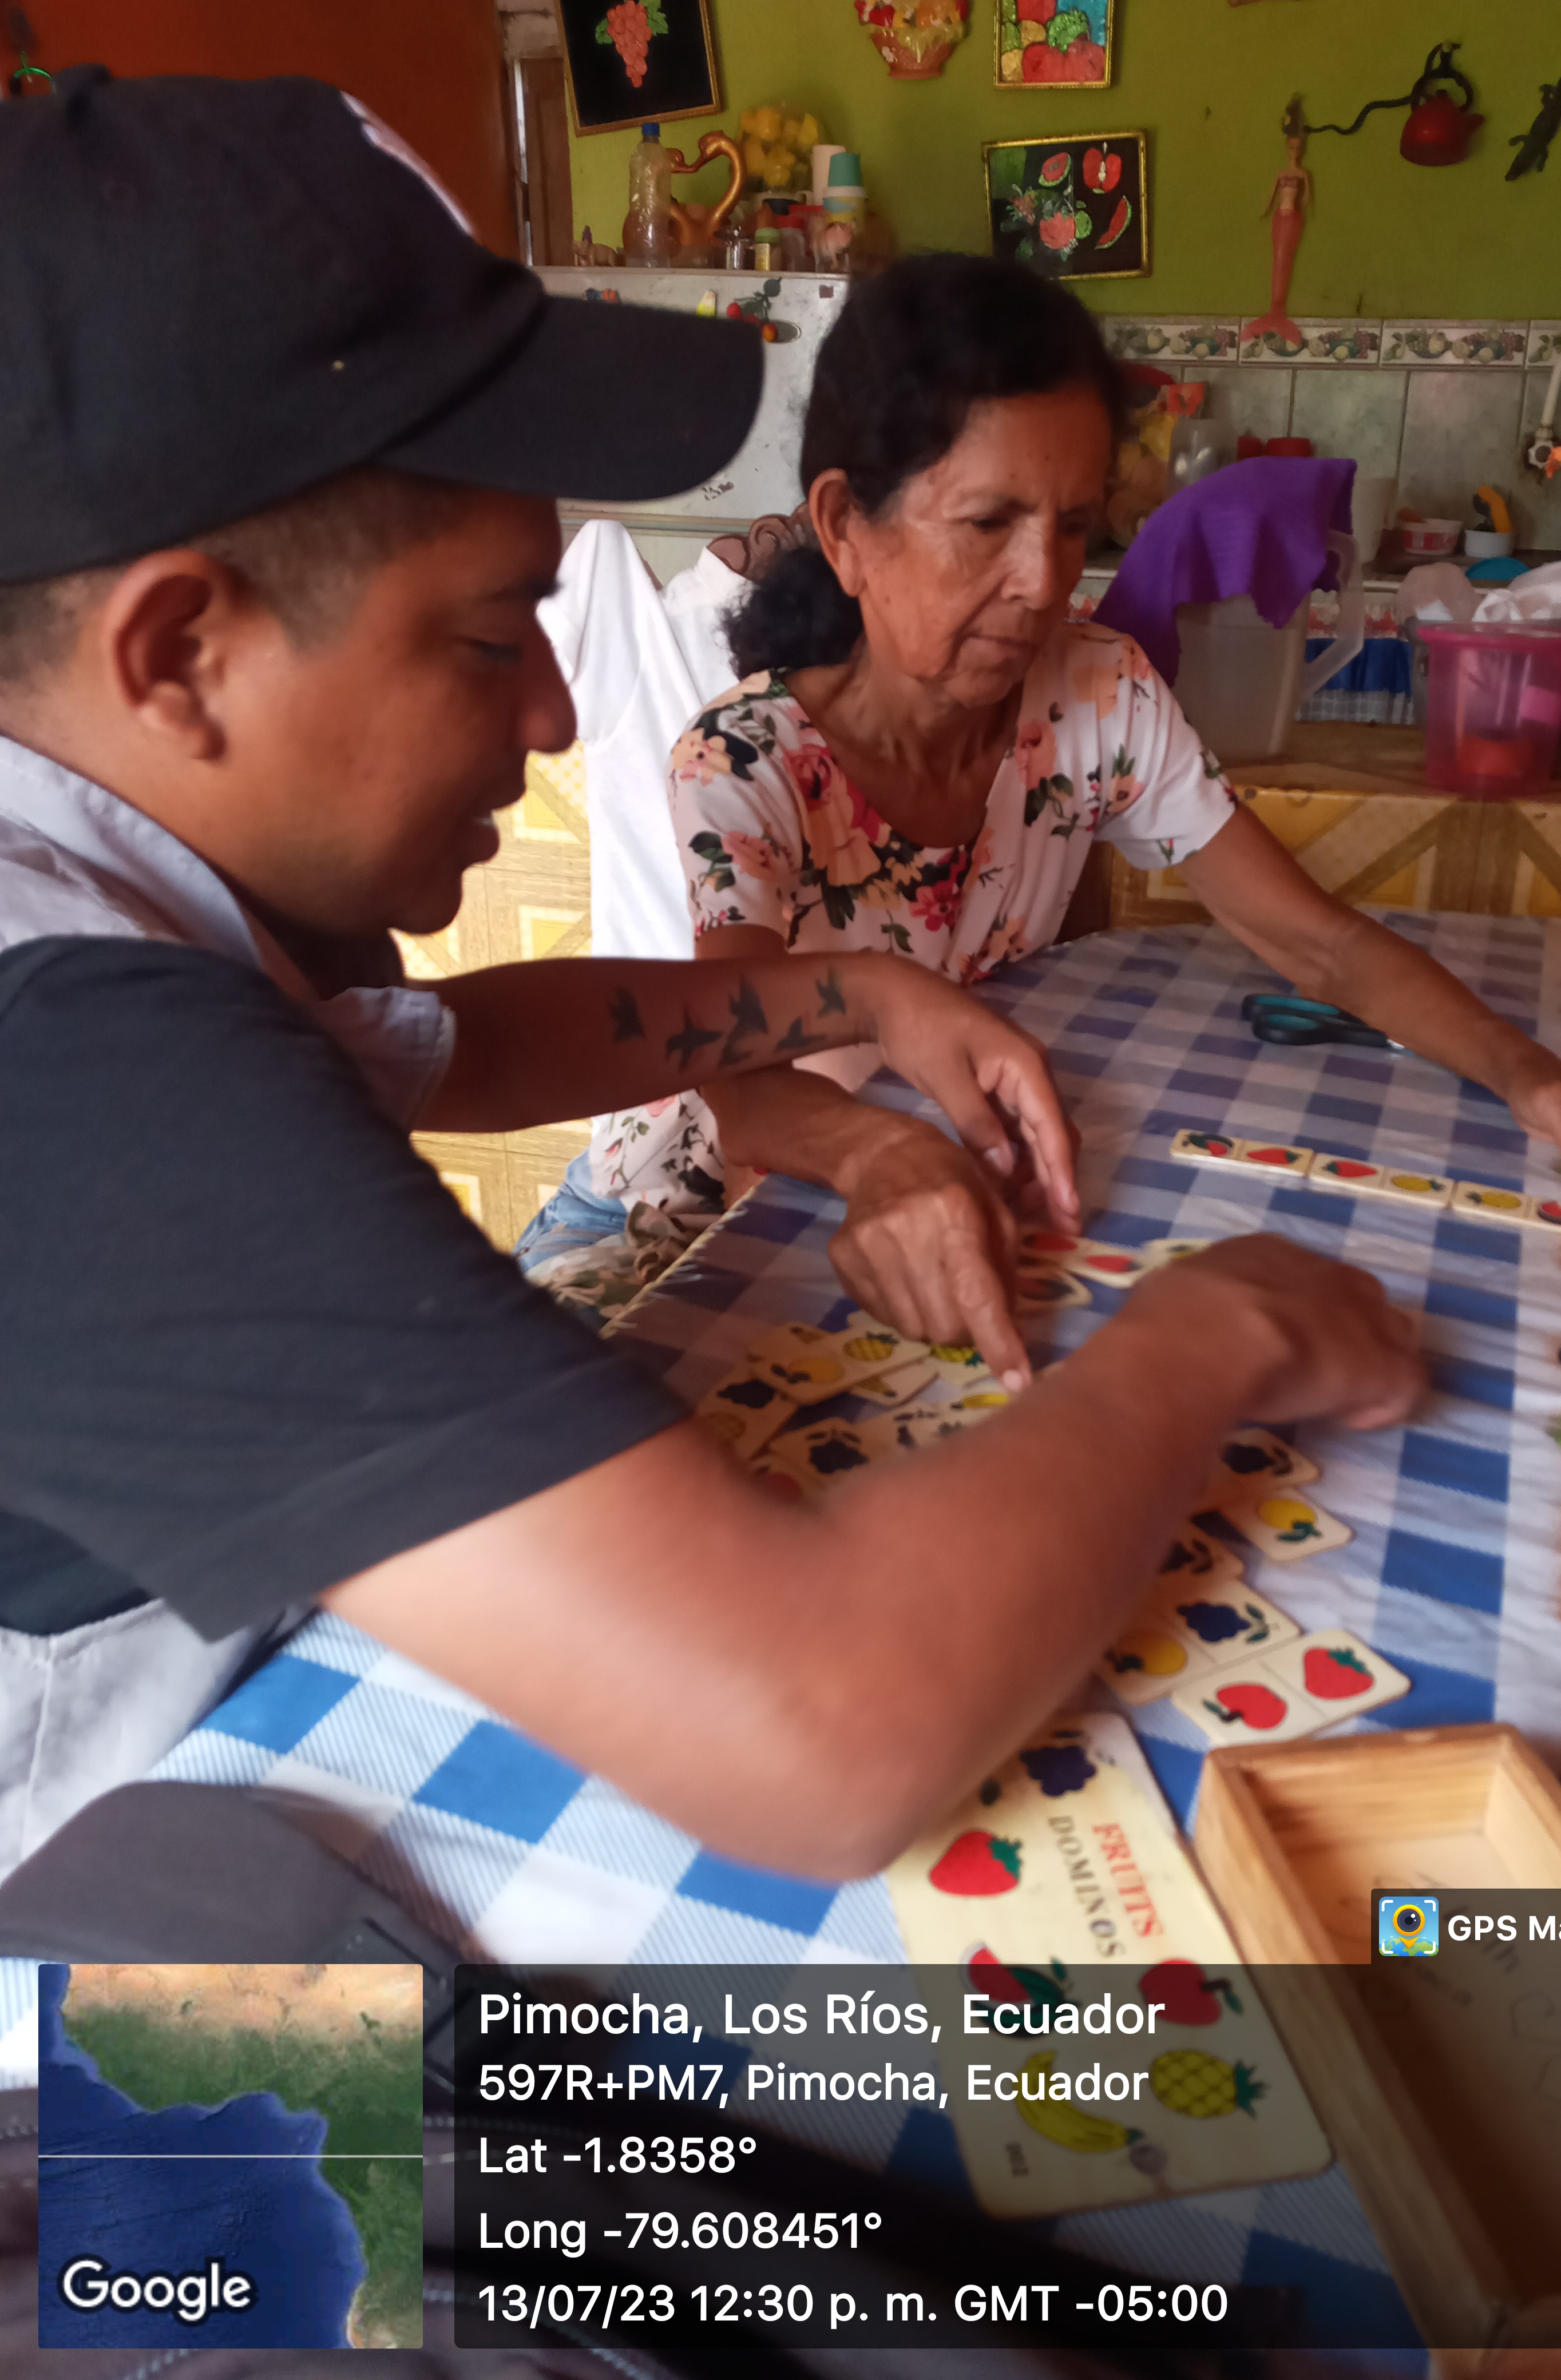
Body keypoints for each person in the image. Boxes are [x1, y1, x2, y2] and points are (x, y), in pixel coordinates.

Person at [0, 66, 1428, 1887]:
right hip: (83, 1925)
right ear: (179, 656)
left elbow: (454, 1044)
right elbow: (826, 1731)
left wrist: (861, 995)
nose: (554, 713)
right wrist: (1220, 1331)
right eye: (490, 636)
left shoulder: (117, 895)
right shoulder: (79, 1070)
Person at [536, 253, 1561, 1382]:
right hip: (679, 1216)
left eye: (1074, 525)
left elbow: (1316, 944)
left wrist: (1531, 1074)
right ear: (847, 527)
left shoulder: (1096, 696)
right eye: (989, 524)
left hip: (930, 1180)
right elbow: (742, 1089)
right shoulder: (747, 761)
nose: (1043, 582)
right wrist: (876, 1152)